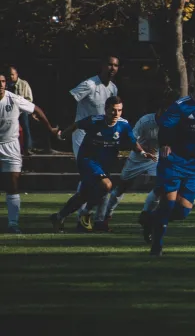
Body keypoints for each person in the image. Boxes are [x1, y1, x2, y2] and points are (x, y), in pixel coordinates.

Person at [144, 69, 195, 256]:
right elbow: (165, 127)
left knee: (182, 212)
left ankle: (150, 220)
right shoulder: (181, 106)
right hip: (173, 160)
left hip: (194, 164)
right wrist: (166, 144)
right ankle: (157, 247)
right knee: (168, 204)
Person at [50, 96, 155, 233]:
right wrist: (62, 135)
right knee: (106, 185)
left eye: (119, 110)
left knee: (84, 195)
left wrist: (143, 153)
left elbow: (132, 142)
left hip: (105, 163)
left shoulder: (123, 125)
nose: (116, 114)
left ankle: (59, 217)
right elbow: (76, 125)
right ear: (106, 109)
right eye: (113, 110)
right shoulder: (94, 121)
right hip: (87, 160)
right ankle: (86, 213)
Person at [99, 92, 178, 226]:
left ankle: (146, 215)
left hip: (157, 159)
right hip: (138, 157)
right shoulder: (146, 121)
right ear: (159, 111)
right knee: (122, 187)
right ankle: (107, 215)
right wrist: (143, 151)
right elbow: (132, 139)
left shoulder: (174, 123)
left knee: (161, 186)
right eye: (164, 112)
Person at [0, 71, 58, 233]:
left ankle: (13, 224)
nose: (1, 85)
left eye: (3, 81)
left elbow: (36, 109)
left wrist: (50, 129)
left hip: (11, 146)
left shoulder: (14, 99)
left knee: (12, 186)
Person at [70, 56, 119, 230]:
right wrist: (64, 127)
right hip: (82, 135)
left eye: (115, 65)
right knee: (89, 176)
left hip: (101, 139)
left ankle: (99, 219)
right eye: (109, 64)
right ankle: (81, 218)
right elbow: (69, 99)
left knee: (104, 178)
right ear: (102, 65)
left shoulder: (113, 88)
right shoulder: (89, 84)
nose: (112, 68)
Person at [7, 66, 34, 156]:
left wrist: (21, 104)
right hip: (10, 111)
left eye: (12, 74)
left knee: (26, 128)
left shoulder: (24, 84)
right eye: (9, 75)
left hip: (22, 111)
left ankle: (28, 148)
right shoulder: (7, 85)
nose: (11, 77)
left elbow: (30, 99)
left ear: (16, 74)